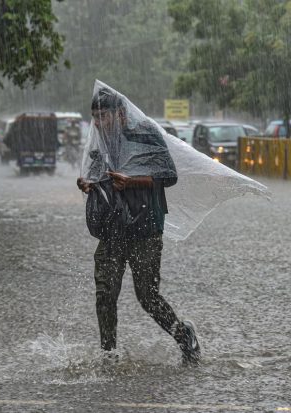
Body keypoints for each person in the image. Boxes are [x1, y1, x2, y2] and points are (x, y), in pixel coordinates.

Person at [77, 88, 201, 364]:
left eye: (104, 116)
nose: (99, 123)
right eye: (95, 117)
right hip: (112, 228)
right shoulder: (100, 143)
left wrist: (131, 181)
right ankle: (109, 354)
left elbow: (168, 176)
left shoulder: (146, 135)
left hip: (145, 227)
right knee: (105, 293)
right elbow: (96, 176)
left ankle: (184, 336)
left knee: (147, 296)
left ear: (121, 114)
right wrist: (87, 184)